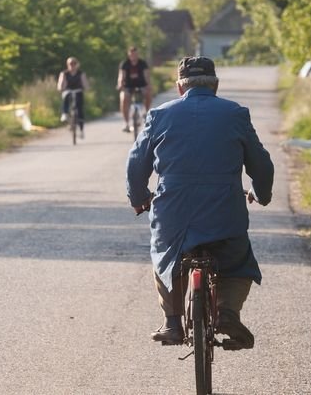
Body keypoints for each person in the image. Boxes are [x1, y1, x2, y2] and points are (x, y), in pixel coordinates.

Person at [125, 56, 274, 349]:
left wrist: (140, 199)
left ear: (180, 87)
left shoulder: (160, 115)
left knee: (166, 254)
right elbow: (262, 164)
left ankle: (171, 322)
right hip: (224, 213)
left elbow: (135, 163)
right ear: (215, 85)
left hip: (173, 213)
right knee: (237, 260)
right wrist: (260, 193)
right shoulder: (235, 114)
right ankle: (228, 313)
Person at [117, 46, 152, 133]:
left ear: (137, 54)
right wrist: (120, 85)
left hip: (141, 86)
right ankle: (126, 123)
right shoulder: (125, 64)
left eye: (135, 54)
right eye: (131, 55)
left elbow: (147, 76)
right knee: (123, 98)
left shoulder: (142, 63)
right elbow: (121, 76)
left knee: (148, 94)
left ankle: (146, 113)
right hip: (128, 87)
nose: (133, 56)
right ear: (129, 55)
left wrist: (148, 85)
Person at [57, 57, 90, 136]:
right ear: (67, 65)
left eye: (74, 63)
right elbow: (61, 83)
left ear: (77, 64)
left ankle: (81, 130)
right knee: (66, 96)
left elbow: (85, 82)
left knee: (80, 109)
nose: (72, 65)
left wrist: (86, 87)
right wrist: (60, 87)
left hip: (78, 91)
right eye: (70, 64)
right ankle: (64, 113)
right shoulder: (64, 73)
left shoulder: (81, 73)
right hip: (68, 91)